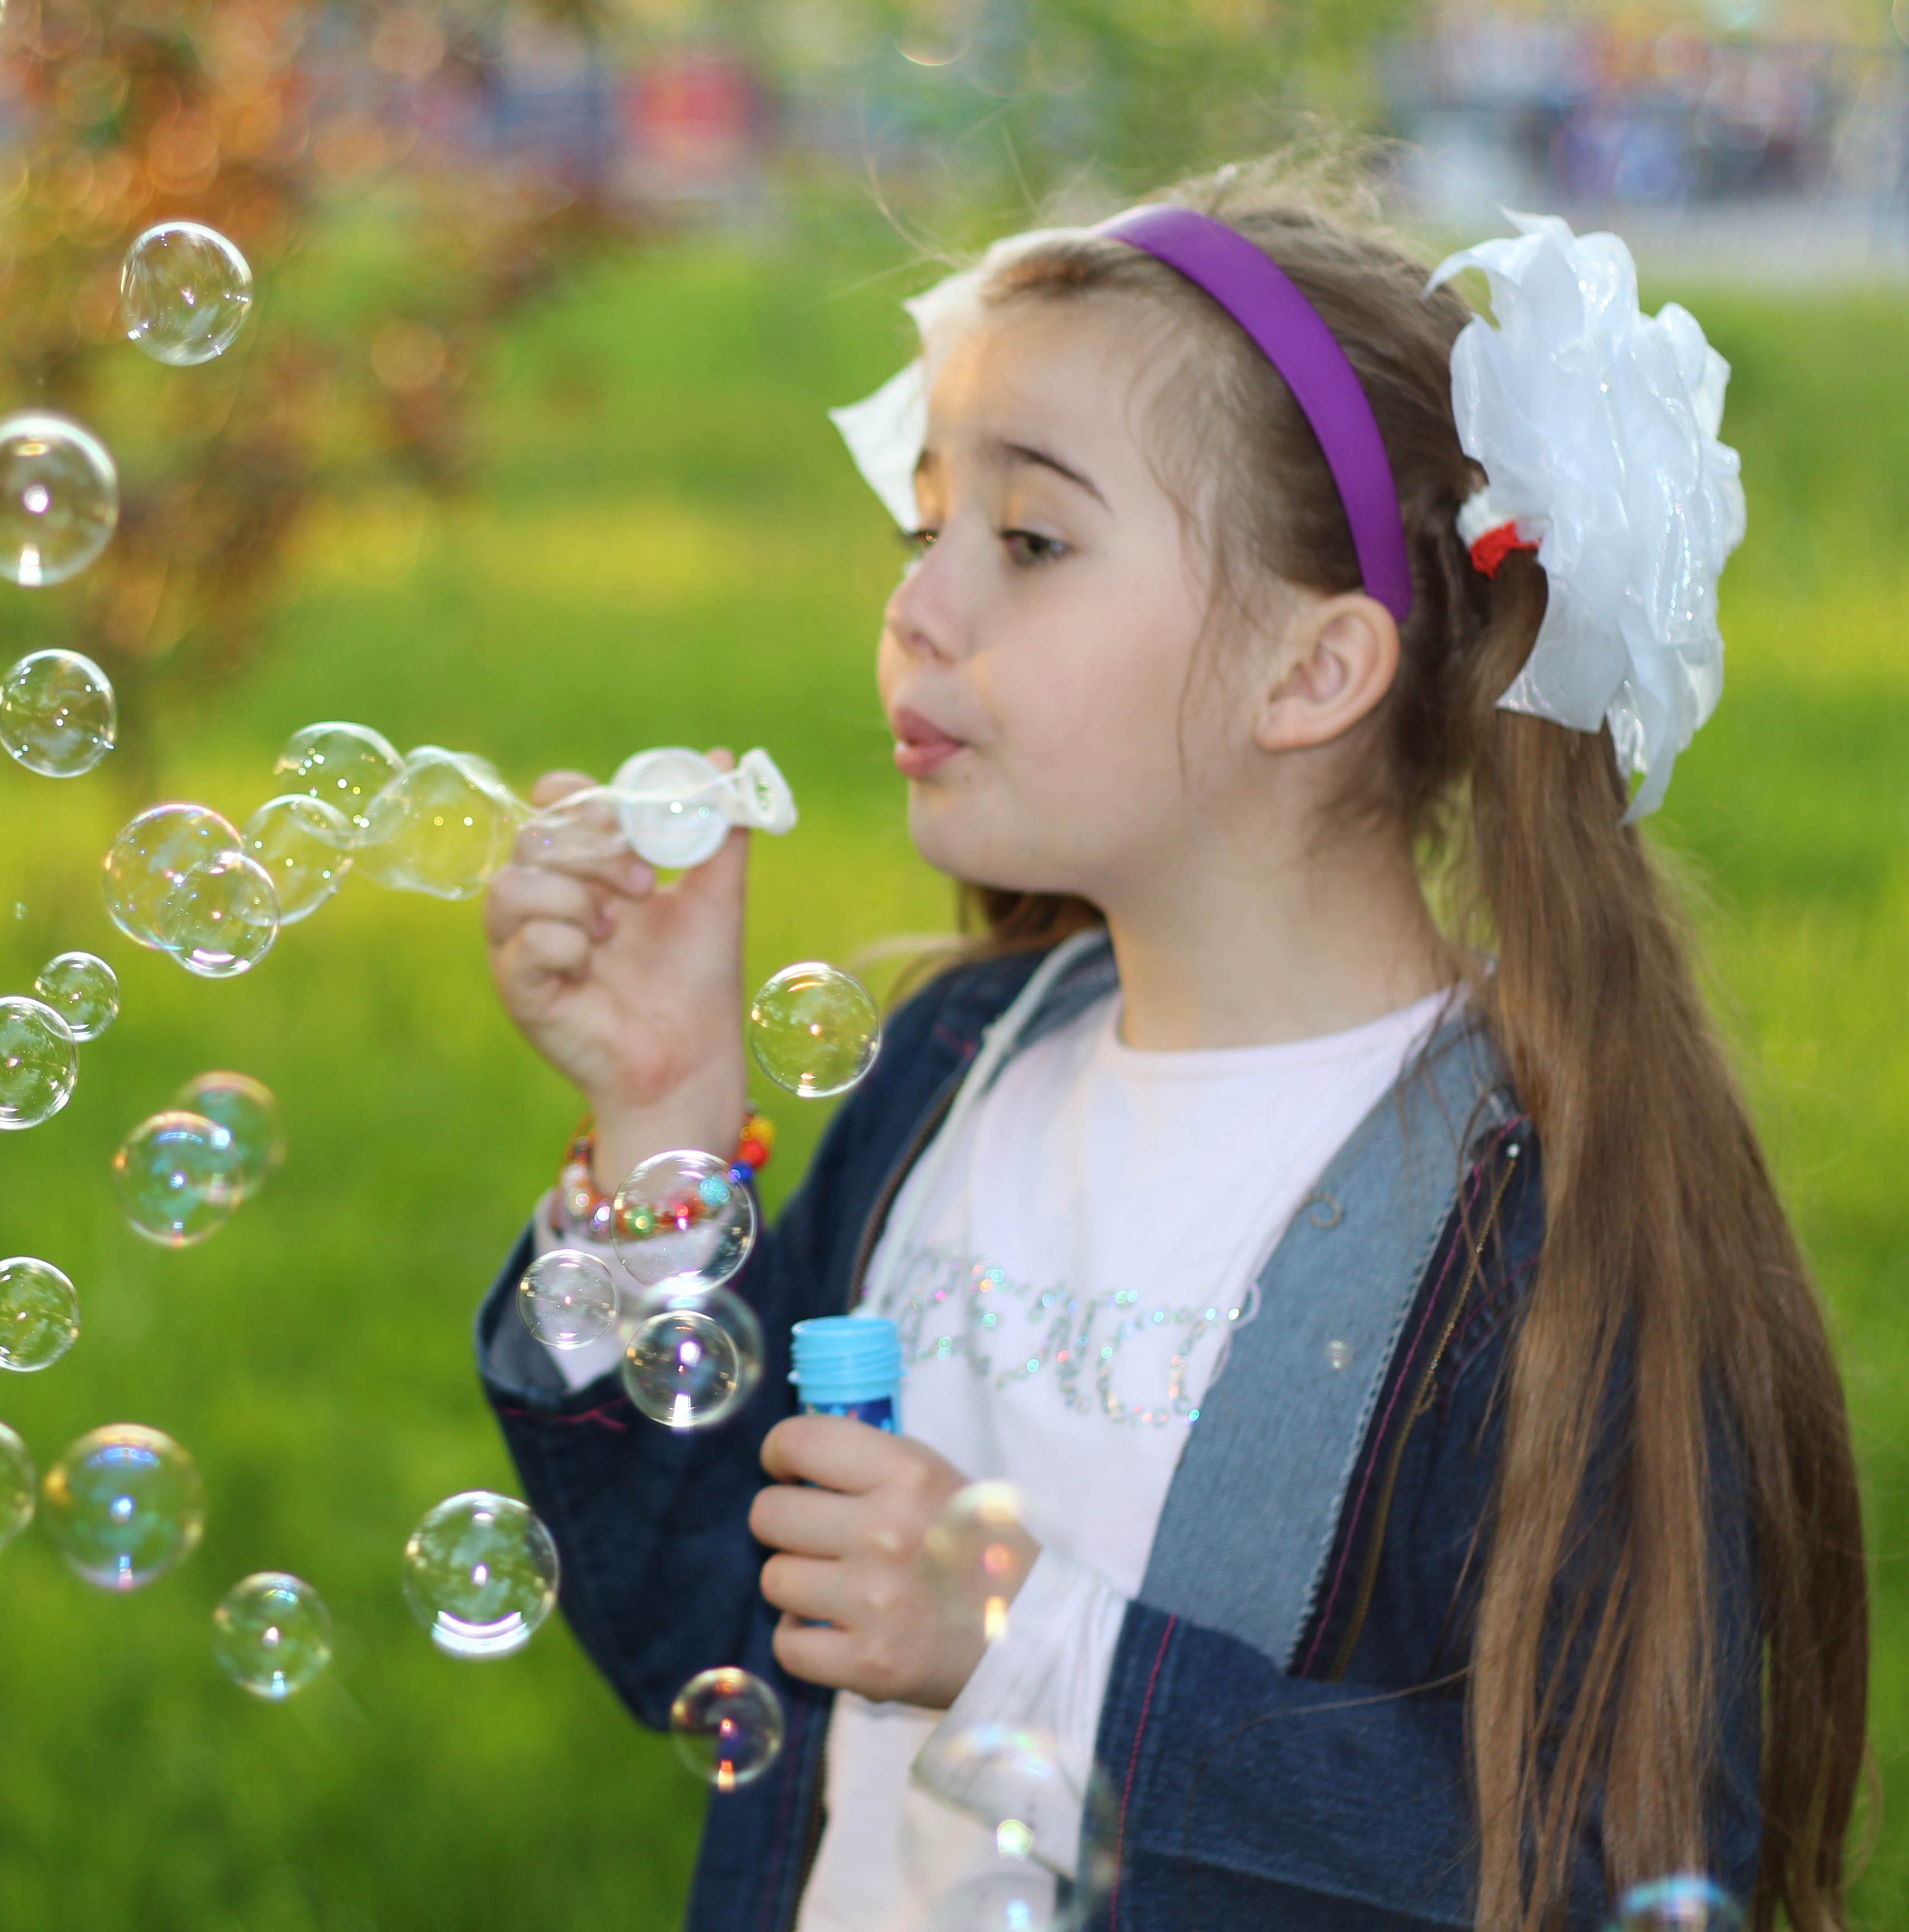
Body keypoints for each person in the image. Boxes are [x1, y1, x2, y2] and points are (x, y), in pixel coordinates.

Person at [470, 154, 1866, 1932]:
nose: (916, 608)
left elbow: (1598, 1871)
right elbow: (698, 1627)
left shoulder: (1523, 1225)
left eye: (1031, 542)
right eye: (925, 530)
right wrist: (661, 1113)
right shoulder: (957, 1073)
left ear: (1313, 673)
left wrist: (1031, 1648)